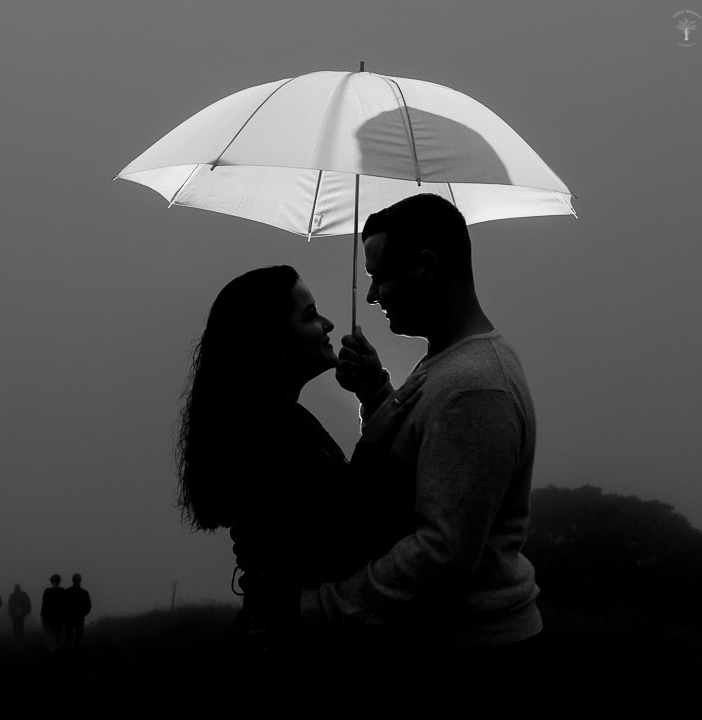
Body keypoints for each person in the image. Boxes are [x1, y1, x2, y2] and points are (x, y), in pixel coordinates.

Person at [300, 194, 543, 687]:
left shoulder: (474, 385)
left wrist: (322, 607)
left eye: (381, 276)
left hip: (471, 659)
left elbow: (440, 554)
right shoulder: (451, 363)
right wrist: (376, 392)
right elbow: (421, 466)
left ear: (428, 266)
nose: (372, 295)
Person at [175, 265, 424, 659]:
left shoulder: (279, 419)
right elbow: (349, 535)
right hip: (286, 650)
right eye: (309, 315)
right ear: (272, 339)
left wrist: (373, 391)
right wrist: (373, 439)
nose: (328, 324)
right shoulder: (263, 433)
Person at [64, 573, 92, 649]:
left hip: (69, 617)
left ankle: (69, 651)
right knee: (78, 636)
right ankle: (78, 651)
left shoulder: (67, 591)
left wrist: (65, 614)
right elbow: (88, 606)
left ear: (72, 580)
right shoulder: (84, 592)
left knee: (69, 636)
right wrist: (83, 614)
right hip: (79, 617)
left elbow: (63, 604)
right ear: (80, 580)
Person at [40, 574, 66, 652]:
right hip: (59, 616)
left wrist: (42, 614)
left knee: (51, 632)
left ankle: (52, 648)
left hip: (49, 616)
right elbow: (65, 604)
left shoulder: (47, 591)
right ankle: (57, 647)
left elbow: (44, 604)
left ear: (51, 581)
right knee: (58, 632)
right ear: (59, 581)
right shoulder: (62, 591)